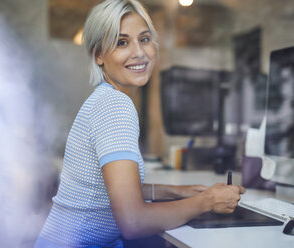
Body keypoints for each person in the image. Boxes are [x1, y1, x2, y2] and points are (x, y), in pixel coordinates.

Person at [35, 0, 245, 247]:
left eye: (144, 39)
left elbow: (111, 191)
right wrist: (207, 201)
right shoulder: (115, 107)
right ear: (98, 55)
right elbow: (133, 222)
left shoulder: (103, 98)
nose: (139, 52)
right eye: (122, 42)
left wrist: (176, 191)